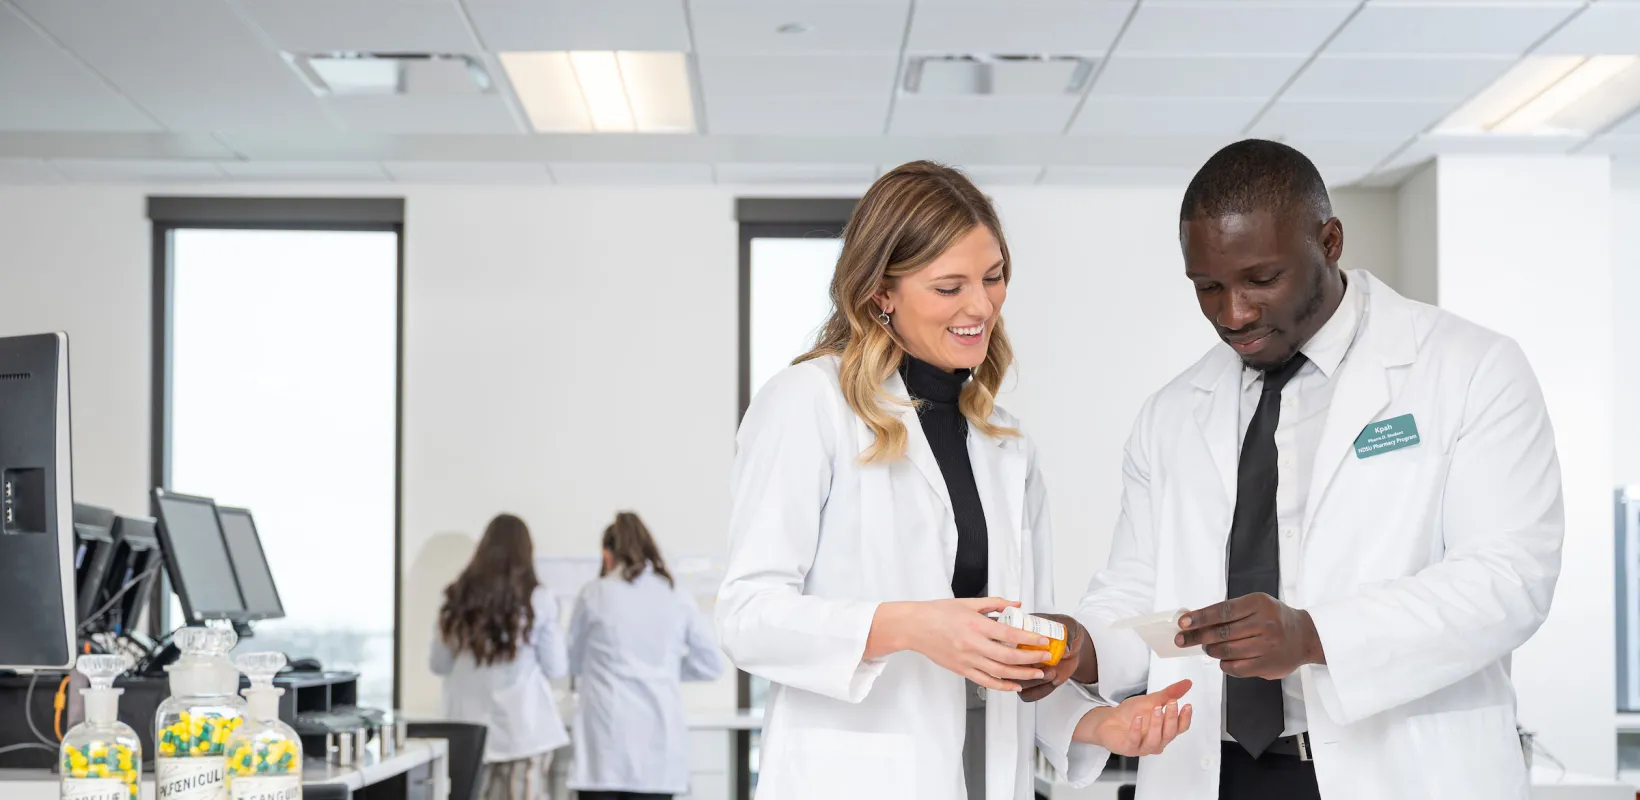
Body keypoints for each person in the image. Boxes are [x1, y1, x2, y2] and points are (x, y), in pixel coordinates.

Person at [1028, 139, 1565, 799]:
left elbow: (1510, 580)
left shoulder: (1469, 369)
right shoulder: (1170, 413)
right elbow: (1139, 591)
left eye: (1261, 279)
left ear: (1330, 242)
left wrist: (1313, 636)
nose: (1234, 314)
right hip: (1211, 770)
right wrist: (1083, 646)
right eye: (1209, 288)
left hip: (1398, 768)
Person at [716, 160, 1194, 800]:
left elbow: (1016, 655)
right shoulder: (808, 404)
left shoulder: (1005, 442)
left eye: (994, 277)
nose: (981, 306)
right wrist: (911, 626)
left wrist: (1098, 723)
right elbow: (747, 616)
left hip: (982, 776)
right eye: (949, 287)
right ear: (881, 292)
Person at [566, 511, 724, 800]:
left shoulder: (594, 593)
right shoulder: (676, 595)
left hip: (604, 749)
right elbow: (712, 665)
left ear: (607, 553)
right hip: (659, 753)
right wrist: (668, 670)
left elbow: (572, 662)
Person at [430, 513, 570, 800]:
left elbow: (438, 664)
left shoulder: (457, 599)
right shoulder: (538, 599)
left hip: (469, 733)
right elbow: (556, 667)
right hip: (525, 731)